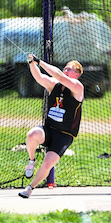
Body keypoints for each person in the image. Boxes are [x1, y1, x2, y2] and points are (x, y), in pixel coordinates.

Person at [18, 54, 84, 198]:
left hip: (64, 136)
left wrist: (39, 61)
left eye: (69, 69)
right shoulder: (55, 85)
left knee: (48, 164)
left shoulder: (78, 87)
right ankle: (31, 160)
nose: (65, 70)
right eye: (65, 68)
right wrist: (32, 63)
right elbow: (40, 78)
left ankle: (29, 188)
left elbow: (60, 77)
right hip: (49, 129)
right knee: (32, 134)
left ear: (77, 75)